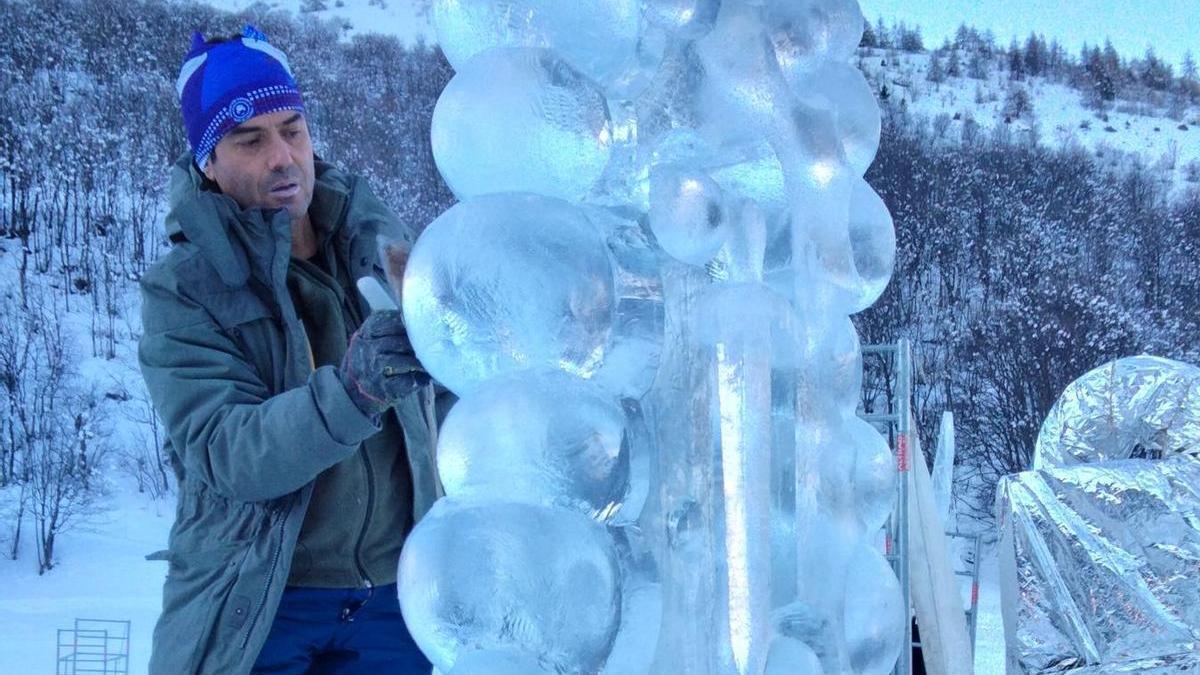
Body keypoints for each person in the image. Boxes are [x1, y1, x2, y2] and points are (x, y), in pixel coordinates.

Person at [138, 25, 441, 674]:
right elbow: (230, 452)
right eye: (249, 139)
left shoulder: (379, 241)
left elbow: (447, 388)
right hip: (261, 602)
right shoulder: (184, 290)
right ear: (207, 163)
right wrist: (355, 392)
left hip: (394, 600)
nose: (282, 156)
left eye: (292, 129)